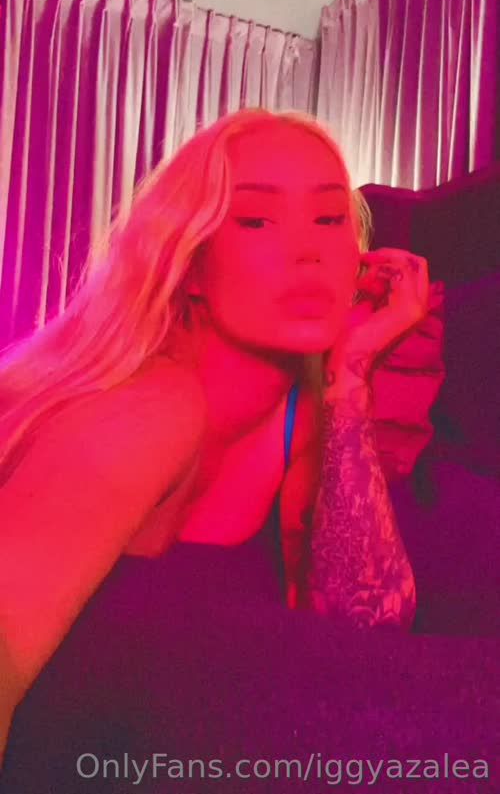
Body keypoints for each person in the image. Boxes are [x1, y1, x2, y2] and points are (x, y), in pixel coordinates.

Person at [0, 107, 429, 780]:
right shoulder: (152, 408)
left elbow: (369, 623)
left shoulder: (300, 410)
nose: (308, 250)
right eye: (255, 221)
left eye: (329, 218)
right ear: (191, 263)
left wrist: (350, 376)